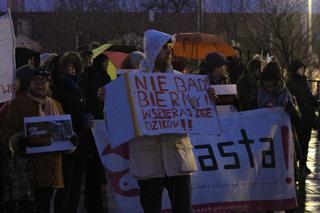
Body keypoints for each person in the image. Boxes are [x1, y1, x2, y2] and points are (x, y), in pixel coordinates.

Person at [130, 29, 197, 213]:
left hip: (177, 158)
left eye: (170, 47)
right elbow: (119, 120)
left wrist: (205, 98)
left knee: (183, 209)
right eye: (164, 47)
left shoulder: (180, 80)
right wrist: (110, 102)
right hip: (148, 160)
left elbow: (195, 112)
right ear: (152, 50)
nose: (169, 51)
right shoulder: (132, 83)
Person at [0, 67, 64, 213]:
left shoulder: (56, 105)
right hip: (28, 170)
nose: (39, 83)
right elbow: (6, 131)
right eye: (36, 80)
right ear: (29, 83)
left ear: (49, 84)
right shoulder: (19, 103)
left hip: (52, 169)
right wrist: (18, 141)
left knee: (45, 207)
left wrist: (70, 141)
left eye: (43, 80)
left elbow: (63, 130)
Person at [80, 53, 111, 213]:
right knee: (93, 170)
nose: (106, 65)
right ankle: (92, 204)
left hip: (102, 124)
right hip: (93, 127)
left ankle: (96, 202)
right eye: (104, 62)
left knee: (98, 170)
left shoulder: (105, 77)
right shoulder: (87, 78)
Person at [286, 60, 317, 175]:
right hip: (299, 116)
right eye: (300, 68)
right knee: (299, 141)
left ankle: (303, 164)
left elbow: (308, 96)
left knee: (305, 141)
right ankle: (299, 164)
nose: (302, 70)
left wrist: (314, 101)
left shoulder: (303, 81)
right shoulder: (291, 83)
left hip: (307, 115)